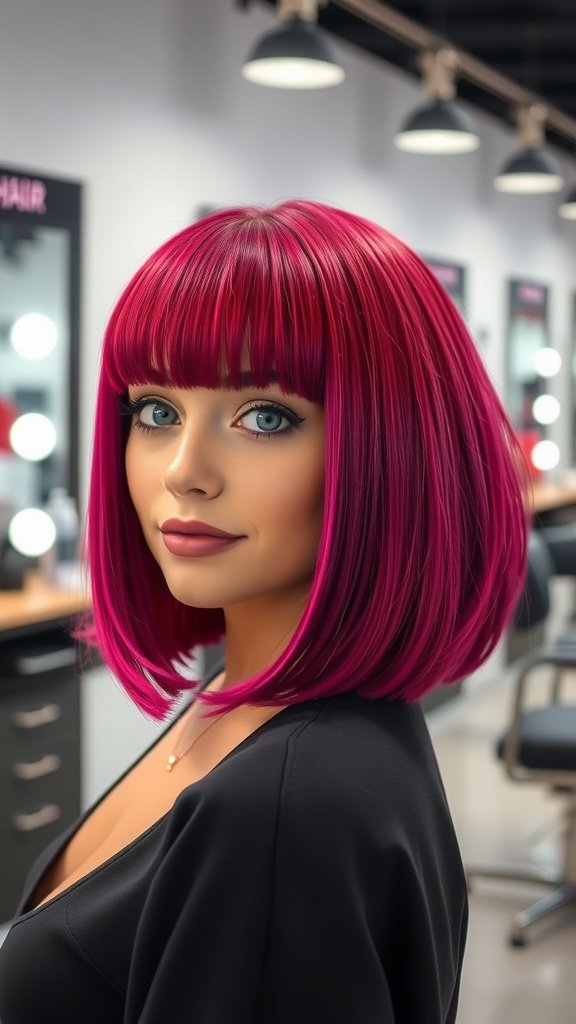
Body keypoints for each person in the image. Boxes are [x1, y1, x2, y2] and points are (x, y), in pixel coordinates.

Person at [0, 199, 530, 1023]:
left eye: (264, 416)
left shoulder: (282, 813)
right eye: (156, 411)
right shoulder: (250, 710)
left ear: (392, 449)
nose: (184, 470)